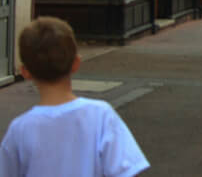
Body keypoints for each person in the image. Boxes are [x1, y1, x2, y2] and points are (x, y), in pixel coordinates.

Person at [0, 17, 149, 176]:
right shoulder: (101, 115)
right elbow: (126, 170)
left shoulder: (20, 129)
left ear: (25, 72)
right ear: (76, 63)